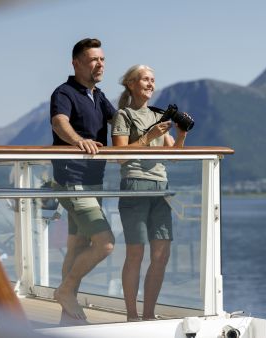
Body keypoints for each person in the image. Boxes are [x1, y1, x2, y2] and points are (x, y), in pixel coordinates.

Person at [111, 64, 191, 321]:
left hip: (160, 187)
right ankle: (132, 315)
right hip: (135, 184)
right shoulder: (123, 114)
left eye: (153, 80)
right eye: (145, 79)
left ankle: (148, 314)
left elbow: (174, 157)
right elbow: (120, 157)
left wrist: (181, 135)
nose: (150, 84)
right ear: (132, 84)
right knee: (136, 253)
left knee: (162, 254)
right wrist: (147, 138)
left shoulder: (158, 115)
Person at [50, 38, 116, 322]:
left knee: (77, 245)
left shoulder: (98, 96)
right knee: (105, 243)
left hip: (93, 180)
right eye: (93, 59)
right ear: (76, 63)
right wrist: (79, 141)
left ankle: (67, 312)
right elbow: (59, 122)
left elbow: (121, 122)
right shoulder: (64, 92)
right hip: (72, 180)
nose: (99, 64)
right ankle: (65, 291)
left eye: (101, 59)